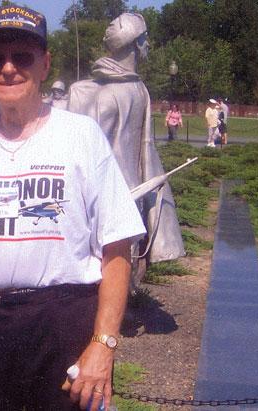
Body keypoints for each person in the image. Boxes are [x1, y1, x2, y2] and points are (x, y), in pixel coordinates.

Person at [0, 4, 146, 411]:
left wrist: (104, 343)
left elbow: (117, 248)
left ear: (44, 64)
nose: (8, 68)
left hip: (62, 322)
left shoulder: (81, 136)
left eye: (22, 57)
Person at [66, 13, 185, 288]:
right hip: (118, 195)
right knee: (115, 267)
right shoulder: (125, 91)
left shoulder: (93, 90)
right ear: (134, 42)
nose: (148, 43)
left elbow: (145, 148)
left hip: (114, 193)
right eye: (144, 38)